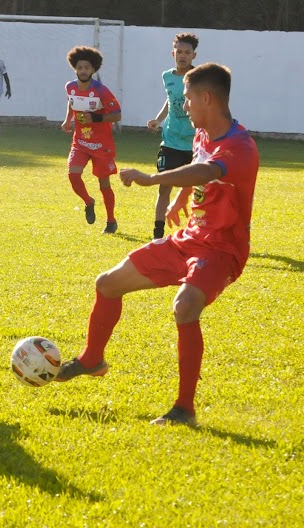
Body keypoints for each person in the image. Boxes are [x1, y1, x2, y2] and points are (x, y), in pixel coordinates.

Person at [55, 63, 259, 427]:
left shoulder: (239, 145)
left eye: (188, 100)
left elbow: (207, 171)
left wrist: (152, 180)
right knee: (107, 283)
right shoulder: (202, 134)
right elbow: (199, 170)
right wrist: (184, 199)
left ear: (206, 98)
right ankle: (91, 359)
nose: (184, 107)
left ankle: (184, 409)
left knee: (185, 305)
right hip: (189, 238)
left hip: (222, 249)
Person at [61, 46, 121, 235]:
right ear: (75, 68)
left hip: (101, 145)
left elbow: (117, 114)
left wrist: (95, 118)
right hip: (80, 141)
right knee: (73, 174)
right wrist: (68, 119)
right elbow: (71, 103)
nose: (83, 71)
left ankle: (111, 220)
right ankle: (88, 201)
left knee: (104, 184)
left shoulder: (101, 91)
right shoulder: (70, 86)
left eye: (87, 68)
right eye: (80, 67)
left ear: (93, 69)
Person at [147, 32, 199, 240]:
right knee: (164, 187)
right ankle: (157, 235)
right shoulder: (167, 76)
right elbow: (170, 101)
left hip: (194, 142)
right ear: (173, 53)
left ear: (194, 56)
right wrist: (158, 120)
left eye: (187, 52)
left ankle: (195, 233)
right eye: (179, 52)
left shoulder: (199, 78)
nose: (183, 56)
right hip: (171, 141)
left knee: (198, 190)